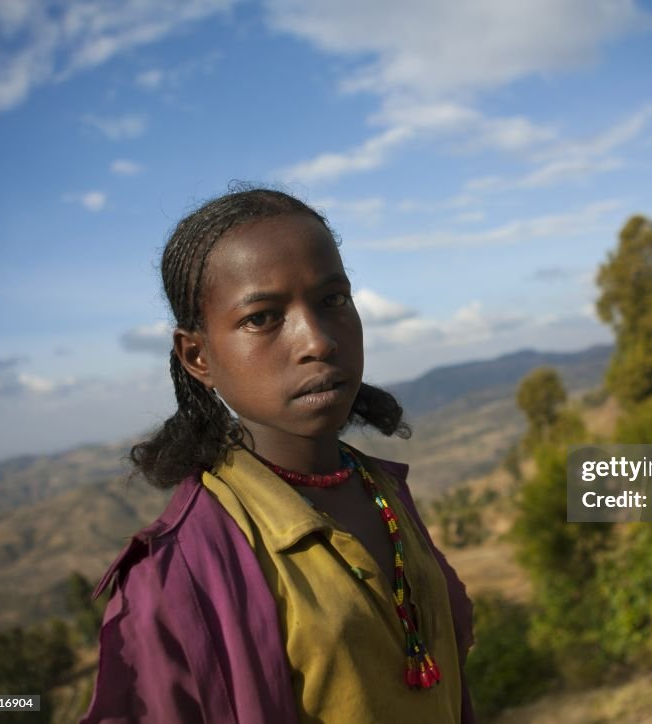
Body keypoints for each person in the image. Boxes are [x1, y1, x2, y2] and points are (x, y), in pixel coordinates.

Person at [81, 187, 475, 723]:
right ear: (198, 356)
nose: (317, 340)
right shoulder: (178, 576)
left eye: (333, 300)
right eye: (263, 318)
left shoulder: (383, 489)